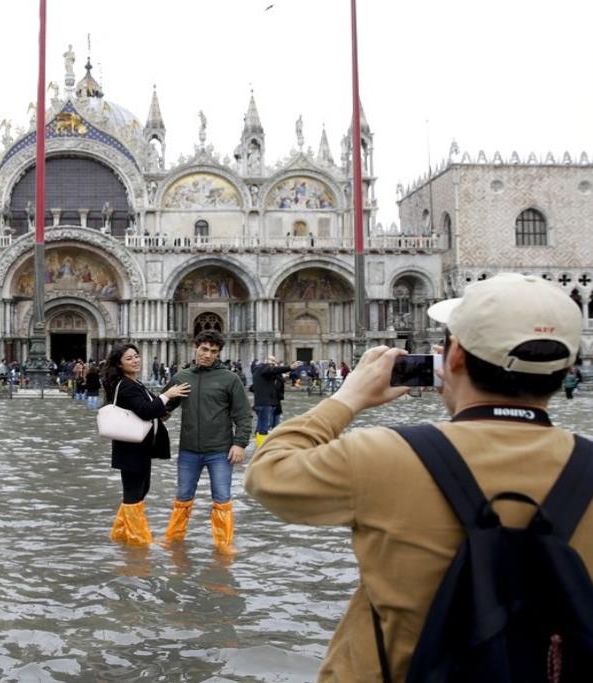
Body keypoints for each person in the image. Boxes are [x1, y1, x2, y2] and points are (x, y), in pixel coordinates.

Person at [244, 273, 593, 681]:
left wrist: (348, 397)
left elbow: (269, 474)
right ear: (567, 367)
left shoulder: (385, 455)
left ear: (454, 358)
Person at [162, 330, 252, 554]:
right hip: (188, 450)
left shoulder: (230, 379)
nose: (207, 355)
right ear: (196, 347)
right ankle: (173, 540)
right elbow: (163, 409)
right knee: (182, 496)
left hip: (220, 451)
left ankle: (224, 544)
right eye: (204, 349)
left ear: (219, 353)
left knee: (222, 498)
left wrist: (240, 444)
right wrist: (159, 404)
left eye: (213, 351)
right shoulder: (182, 377)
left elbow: (243, 415)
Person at [103, 344, 190, 546]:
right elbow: (144, 410)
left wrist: (165, 409)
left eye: (136, 356)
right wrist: (168, 394)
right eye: (129, 358)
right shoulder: (124, 385)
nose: (135, 360)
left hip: (140, 447)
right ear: (119, 364)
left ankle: (120, 535)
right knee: (134, 493)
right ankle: (138, 542)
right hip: (130, 448)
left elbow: (151, 409)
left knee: (140, 490)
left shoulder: (136, 383)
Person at [251, 355, 298, 448]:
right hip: (265, 403)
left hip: (266, 402)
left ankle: (259, 445)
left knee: (261, 425)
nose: (273, 363)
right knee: (264, 427)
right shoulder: (263, 368)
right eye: (271, 361)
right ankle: (262, 447)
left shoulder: (261, 370)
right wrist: (290, 367)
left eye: (274, 361)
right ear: (264, 361)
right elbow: (272, 370)